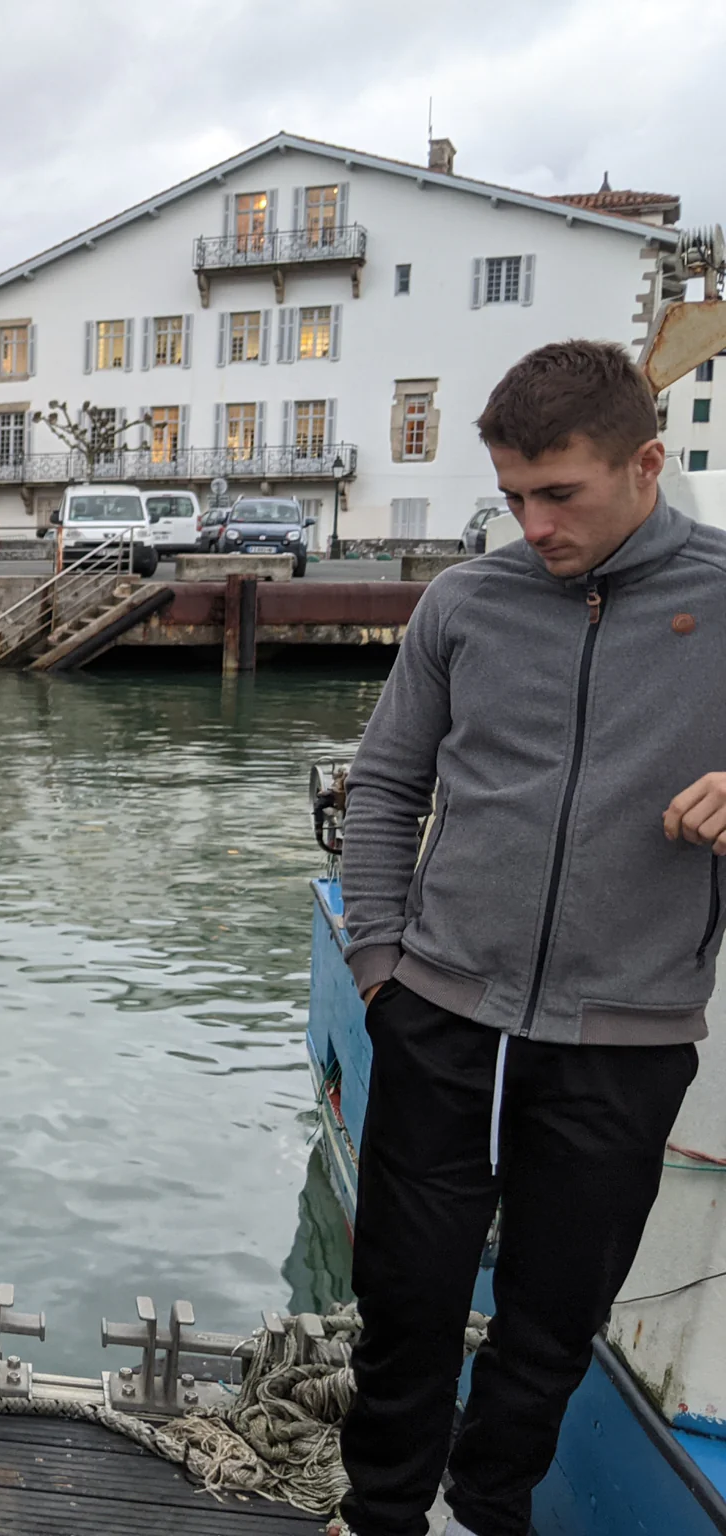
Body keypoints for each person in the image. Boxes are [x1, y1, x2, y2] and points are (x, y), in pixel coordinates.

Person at [335, 340, 726, 1536]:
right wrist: (379, 969)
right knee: (404, 1294)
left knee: (559, 1311)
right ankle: (383, 1512)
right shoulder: (466, 602)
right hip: (444, 1011)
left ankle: (487, 1503)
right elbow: (387, 789)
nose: (532, 523)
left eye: (560, 494)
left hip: (627, 1029)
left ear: (646, 463)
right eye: (512, 496)